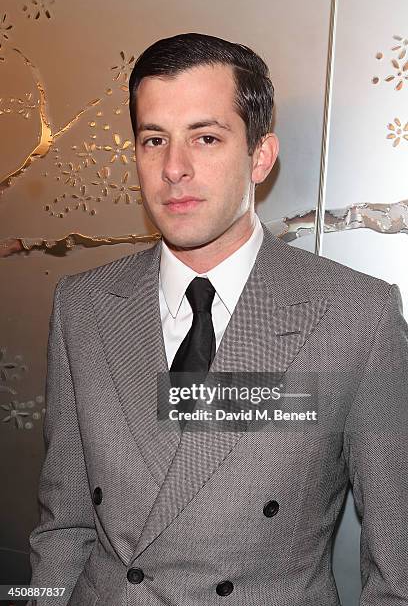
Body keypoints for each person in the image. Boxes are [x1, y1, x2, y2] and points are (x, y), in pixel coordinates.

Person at [29, 33, 408, 605]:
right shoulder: (82, 306)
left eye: (205, 138)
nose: (174, 168)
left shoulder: (356, 316)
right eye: (154, 139)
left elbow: (398, 573)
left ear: (260, 156)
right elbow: (63, 527)